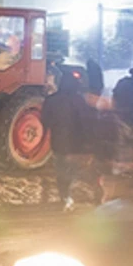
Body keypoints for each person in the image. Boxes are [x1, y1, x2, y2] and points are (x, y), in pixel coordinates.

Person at [41, 70, 94, 211]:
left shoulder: (50, 100)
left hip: (58, 142)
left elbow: (45, 121)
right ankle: (68, 196)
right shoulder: (79, 101)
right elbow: (86, 123)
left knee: (61, 170)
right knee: (72, 171)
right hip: (76, 143)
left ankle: (64, 196)